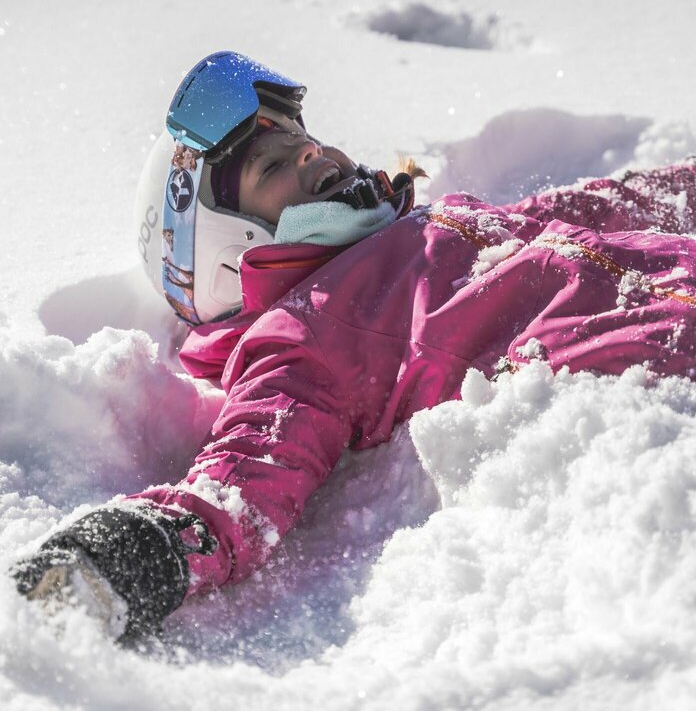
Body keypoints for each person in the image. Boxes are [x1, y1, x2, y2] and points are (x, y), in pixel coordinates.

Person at [12, 50, 696, 642]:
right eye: (277, 162)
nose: (313, 151)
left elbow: (607, 205)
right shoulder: (302, 334)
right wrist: (137, 550)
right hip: (657, 368)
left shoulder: (433, 219)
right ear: (228, 244)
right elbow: (246, 475)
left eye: (304, 140)